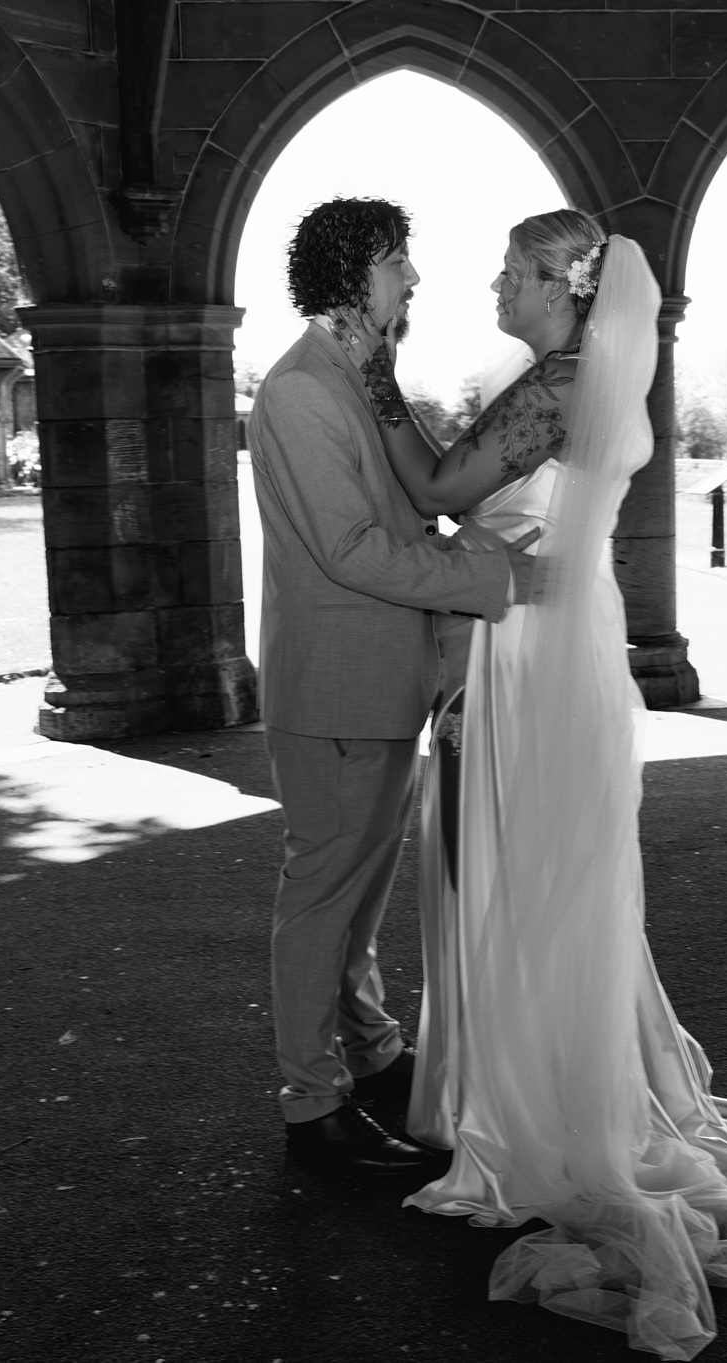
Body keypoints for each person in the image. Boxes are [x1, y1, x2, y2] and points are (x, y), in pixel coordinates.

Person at [363, 209, 727, 1360]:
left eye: (511, 271)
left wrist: (375, 376)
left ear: (562, 285)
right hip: (576, 646)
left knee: (521, 875)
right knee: (557, 879)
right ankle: (550, 1087)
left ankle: (534, 1114)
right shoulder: (602, 387)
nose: (493, 287)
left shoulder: (553, 389)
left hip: (525, 655)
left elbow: (436, 486)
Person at [246, 198, 542, 1176]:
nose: (411, 277)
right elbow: (350, 549)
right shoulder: (301, 391)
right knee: (322, 893)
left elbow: (405, 512)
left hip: (376, 681)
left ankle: (368, 1051)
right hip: (334, 687)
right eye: (395, 261)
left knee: (359, 893)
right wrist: (487, 577)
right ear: (351, 273)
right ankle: (312, 1105)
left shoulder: (353, 374)